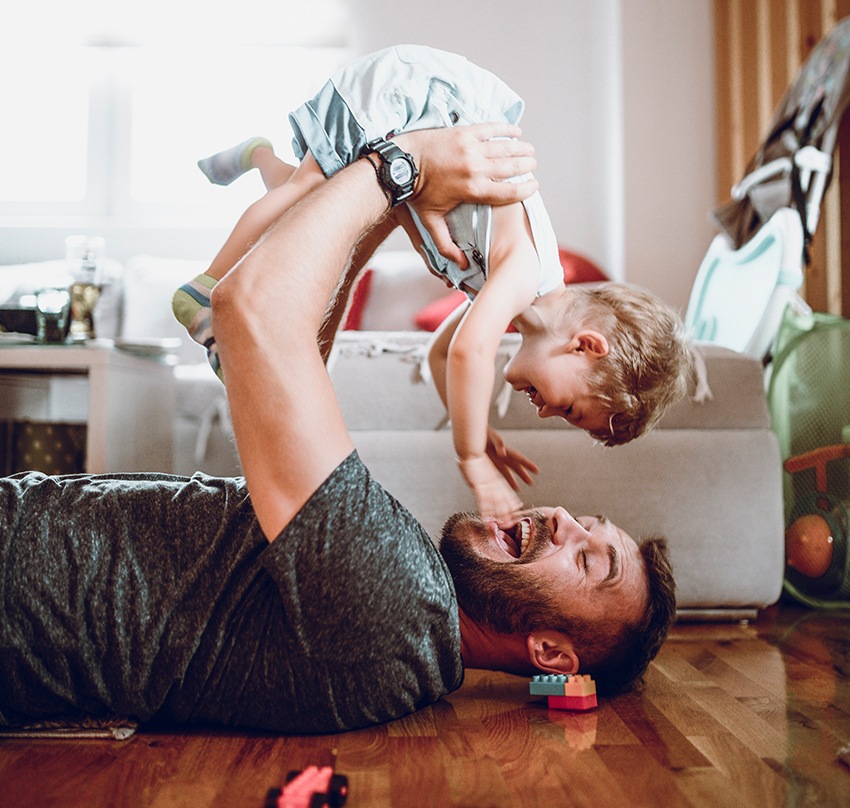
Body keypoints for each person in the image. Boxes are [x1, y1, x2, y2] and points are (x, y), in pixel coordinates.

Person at [0, 126, 676, 735]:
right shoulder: (408, 635)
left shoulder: (396, 603)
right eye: (587, 523)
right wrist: (384, 217)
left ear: (551, 654)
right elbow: (288, 372)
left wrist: (400, 168)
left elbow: (250, 310)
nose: (563, 518)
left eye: (588, 559)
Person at [173, 44, 693, 521]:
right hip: (409, 101)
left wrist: (477, 426)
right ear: (586, 346)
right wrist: (471, 459)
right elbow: (469, 353)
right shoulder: (527, 273)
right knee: (308, 192)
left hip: (412, 124)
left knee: (303, 191)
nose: (549, 411)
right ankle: (206, 287)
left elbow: (441, 355)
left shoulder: (517, 301)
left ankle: (255, 155)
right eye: (572, 409)